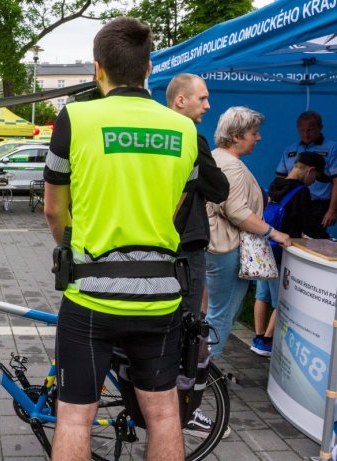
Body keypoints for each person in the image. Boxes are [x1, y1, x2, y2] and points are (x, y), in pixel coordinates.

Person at [44, 17, 197, 461]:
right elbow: (175, 205)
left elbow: (53, 208)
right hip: (161, 295)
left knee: (75, 416)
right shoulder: (184, 129)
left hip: (91, 294)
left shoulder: (75, 117)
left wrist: (67, 246)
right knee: (165, 415)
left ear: (98, 70)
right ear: (149, 69)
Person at [166, 74, 230, 439]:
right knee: (189, 329)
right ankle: (183, 411)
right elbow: (218, 188)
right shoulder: (188, 135)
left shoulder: (152, 132)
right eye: (202, 99)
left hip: (153, 243)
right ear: (181, 101)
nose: (207, 106)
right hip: (186, 245)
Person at [205, 107, 291, 359]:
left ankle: (199, 369)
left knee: (216, 310)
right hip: (227, 248)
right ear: (236, 136)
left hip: (216, 246)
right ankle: (201, 373)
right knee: (223, 313)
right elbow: (237, 212)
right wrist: (274, 232)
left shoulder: (215, 158)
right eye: (254, 133)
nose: (259, 138)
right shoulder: (231, 166)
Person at [251, 152, 331, 356]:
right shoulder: (301, 191)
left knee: (262, 295)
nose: (314, 183)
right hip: (280, 252)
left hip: (264, 248)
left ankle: (258, 337)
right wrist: (327, 239)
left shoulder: (276, 184)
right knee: (281, 300)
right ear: (310, 170)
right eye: (315, 177)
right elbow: (308, 225)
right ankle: (267, 341)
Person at [276, 111, 337, 229]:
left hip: (317, 205)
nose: (305, 134)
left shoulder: (332, 148)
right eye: (301, 130)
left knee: (315, 241)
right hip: (292, 203)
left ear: (320, 128)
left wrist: (332, 210)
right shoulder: (290, 149)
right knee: (291, 240)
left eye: (310, 130)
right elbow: (281, 178)